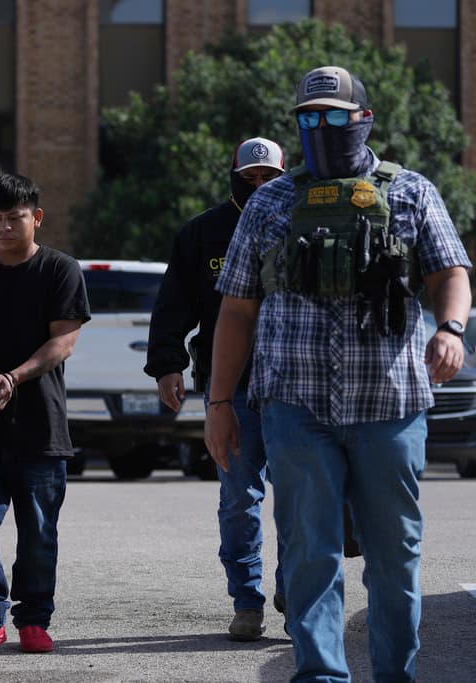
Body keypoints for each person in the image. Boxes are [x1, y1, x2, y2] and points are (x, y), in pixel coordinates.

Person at [206, 66, 471, 680]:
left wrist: (451, 330)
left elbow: (450, 271)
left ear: (364, 119)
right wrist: (219, 405)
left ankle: (393, 674)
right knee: (308, 554)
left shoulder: (410, 192)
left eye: (332, 117)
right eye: (308, 118)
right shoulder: (271, 202)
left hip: (390, 405)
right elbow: (237, 309)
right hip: (295, 407)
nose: (319, 129)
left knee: (394, 556)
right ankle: (321, 675)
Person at [145, 137, 287, 642]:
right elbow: (173, 304)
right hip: (231, 388)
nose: (259, 185)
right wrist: (168, 363)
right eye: (249, 177)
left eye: (269, 176)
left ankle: (293, 588)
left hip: (296, 386)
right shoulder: (203, 233)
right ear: (233, 176)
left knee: (299, 497)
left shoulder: (303, 223)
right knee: (238, 498)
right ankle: (246, 601)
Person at [0, 173, 90, 655]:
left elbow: (62, 341)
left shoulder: (60, 270)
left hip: (40, 424)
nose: (5, 227)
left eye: (15, 218)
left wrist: (12, 377)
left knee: (39, 530)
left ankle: (34, 619)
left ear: (36, 217)